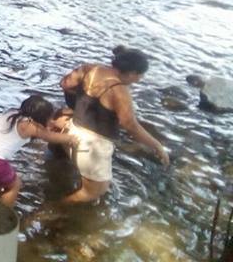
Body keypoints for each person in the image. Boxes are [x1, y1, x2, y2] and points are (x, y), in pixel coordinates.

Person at [59, 46, 170, 203]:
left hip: (70, 132)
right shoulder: (120, 91)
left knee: (86, 180)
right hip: (92, 146)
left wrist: (77, 106)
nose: (140, 79)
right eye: (140, 75)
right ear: (131, 73)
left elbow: (65, 84)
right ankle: (47, 213)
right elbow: (130, 125)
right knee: (93, 192)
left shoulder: (91, 69)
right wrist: (157, 146)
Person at [0, 95, 76, 207]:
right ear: (39, 119)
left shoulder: (14, 113)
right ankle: (0, 216)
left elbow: (41, 126)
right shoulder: (31, 127)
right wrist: (71, 138)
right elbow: (50, 136)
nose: (50, 120)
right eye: (49, 118)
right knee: (14, 186)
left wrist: (53, 123)